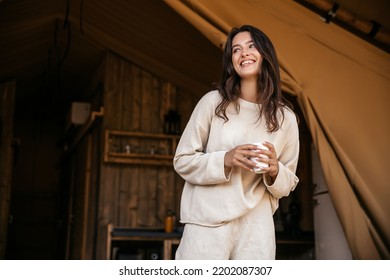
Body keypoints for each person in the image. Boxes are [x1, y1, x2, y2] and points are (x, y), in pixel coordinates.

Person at [173, 24, 300, 260]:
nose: (244, 53)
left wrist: (274, 170)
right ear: (231, 61)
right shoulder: (213, 103)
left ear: (265, 54)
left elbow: (287, 183)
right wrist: (226, 159)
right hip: (207, 224)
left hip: (256, 229)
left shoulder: (286, 119)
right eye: (236, 50)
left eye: (252, 46)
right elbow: (182, 161)